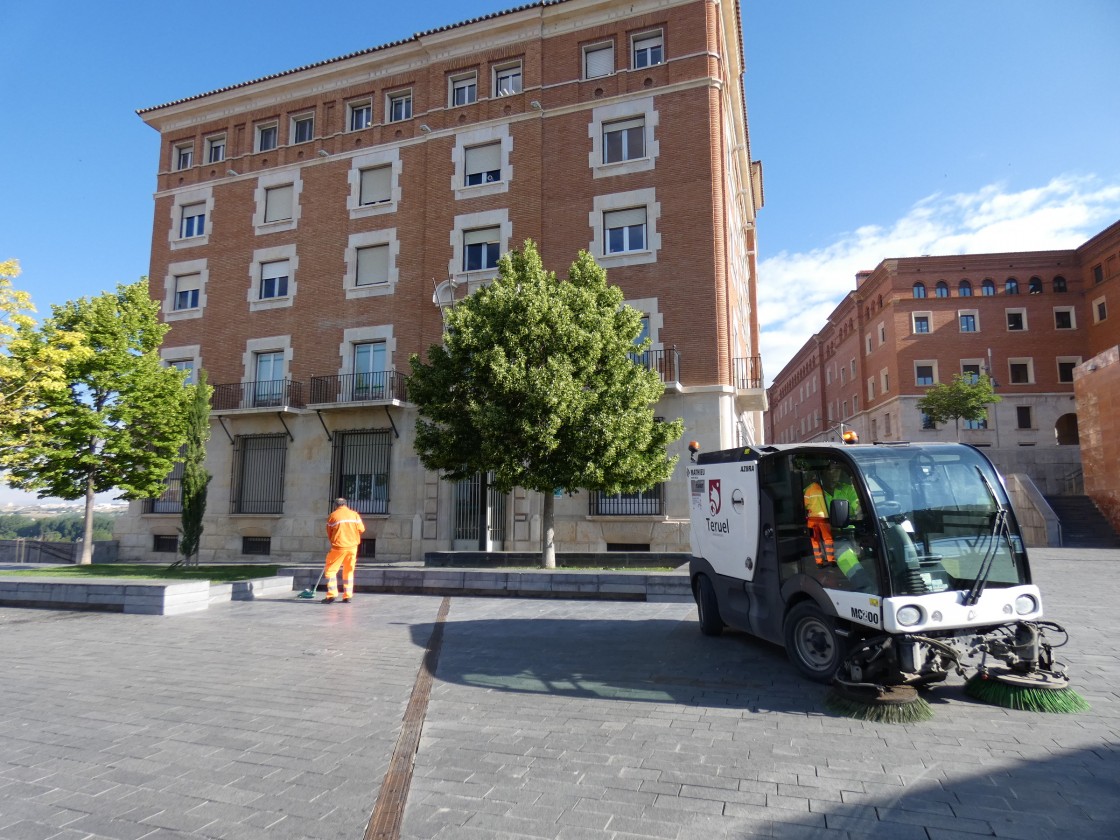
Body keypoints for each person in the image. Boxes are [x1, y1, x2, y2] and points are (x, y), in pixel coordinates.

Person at [323, 497, 365, 604]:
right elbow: (361, 529)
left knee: (330, 570)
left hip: (339, 547)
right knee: (349, 570)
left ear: (335, 505)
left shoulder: (333, 516)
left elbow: (329, 532)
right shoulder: (354, 514)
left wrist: (334, 541)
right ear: (345, 504)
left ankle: (332, 595)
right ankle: (348, 596)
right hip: (352, 547)